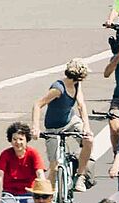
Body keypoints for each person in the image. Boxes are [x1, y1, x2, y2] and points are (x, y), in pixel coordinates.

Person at [32, 59, 94, 193]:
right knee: (54, 167)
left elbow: (81, 105)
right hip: (53, 128)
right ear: (79, 75)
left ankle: (81, 176)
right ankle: (50, 196)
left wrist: (86, 127)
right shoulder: (58, 89)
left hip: (70, 121)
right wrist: (36, 128)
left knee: (88, 140)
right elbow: (38, 105)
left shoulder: (77, 85)